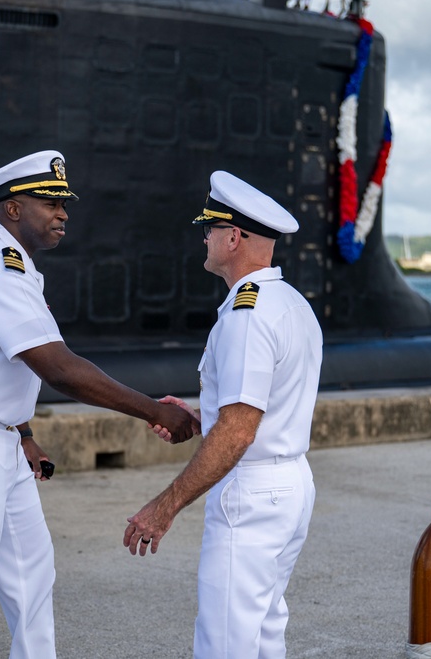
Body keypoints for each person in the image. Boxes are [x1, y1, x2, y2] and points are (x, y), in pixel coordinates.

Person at [0, 150, 198, 659]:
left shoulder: (19, 268)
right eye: (51, 202)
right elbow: (59, 369)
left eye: (65, 203)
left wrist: (22, 433)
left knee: (31, 575)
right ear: (13, 208)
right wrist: (155, 410)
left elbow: (2, 366)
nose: (64, 213)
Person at [124, 171, 323, 658]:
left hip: (251, 493)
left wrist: (163, 507)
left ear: (234, 238)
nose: (205, 238)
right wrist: (199, 418)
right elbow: (260, 409)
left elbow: (238, 432)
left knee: (225, 645)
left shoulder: (246, 316)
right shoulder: (290, 304)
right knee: (261, 637)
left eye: (210, 228)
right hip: (289, 485)